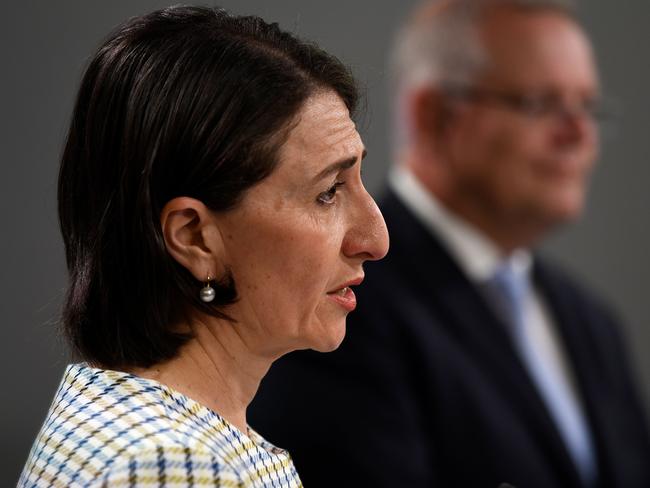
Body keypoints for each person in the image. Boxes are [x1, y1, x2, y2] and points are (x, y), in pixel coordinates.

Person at [248, 1, 650, 487]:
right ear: (435, 115)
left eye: (586, 106)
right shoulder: (338, 301)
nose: (579, 133)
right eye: (542, 104)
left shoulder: (592, 323)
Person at [18, 5, 388, 487]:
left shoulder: (142, 430)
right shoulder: (170, 467)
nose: (375, 239)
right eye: (327, 192)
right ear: (194, 237)